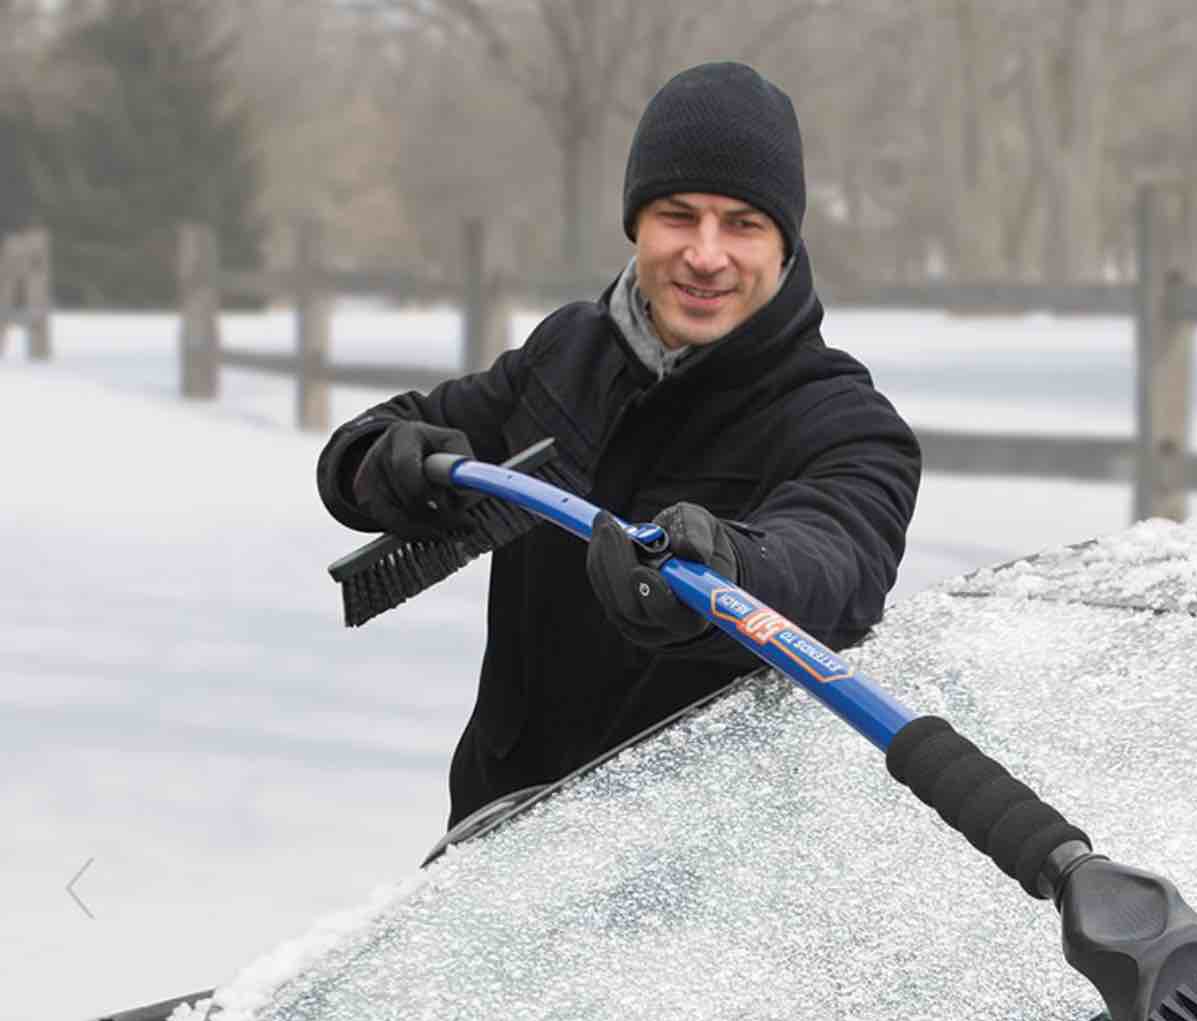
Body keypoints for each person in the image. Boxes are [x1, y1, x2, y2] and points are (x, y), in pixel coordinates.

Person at [316, 61, 921, 829]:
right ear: (636, 223)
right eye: (678, 215)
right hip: (498, 832)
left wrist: (729, 568)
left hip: (695, 871)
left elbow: (832, 561)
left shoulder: (845, 422)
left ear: (785, 245)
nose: (706, 254)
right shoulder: (568, 352)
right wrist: (376, 460)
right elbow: (391, 432)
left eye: (743, 223)